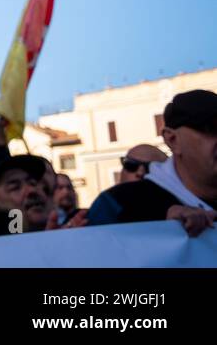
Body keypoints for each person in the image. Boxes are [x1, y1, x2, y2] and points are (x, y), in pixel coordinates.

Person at [87, 90, 217, 237]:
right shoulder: (116, 205)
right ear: (173, 140)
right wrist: (161, 231)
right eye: (211, 129)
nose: (139, 171)